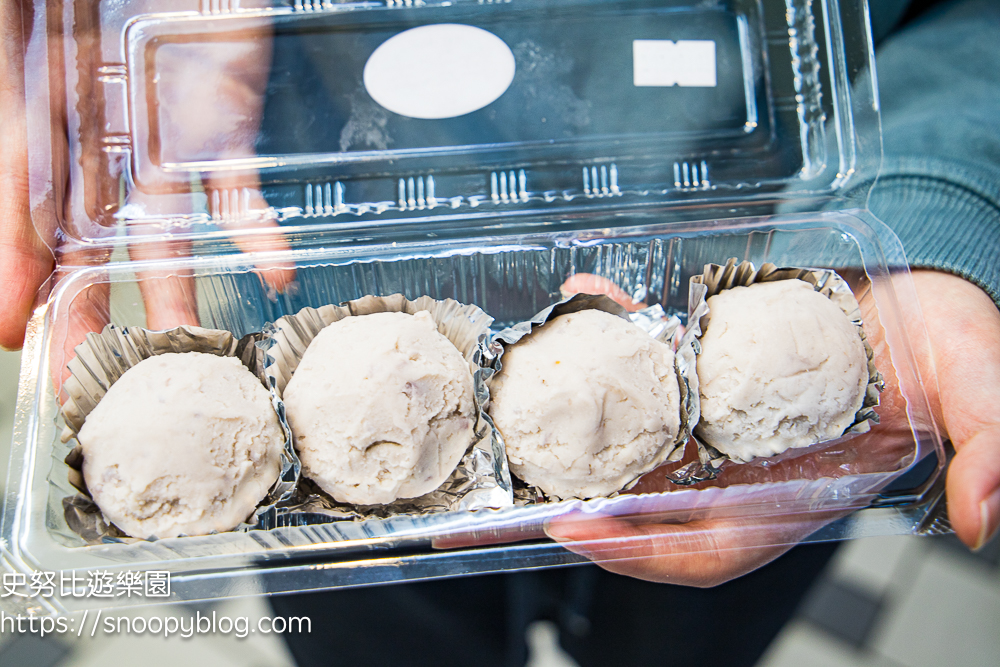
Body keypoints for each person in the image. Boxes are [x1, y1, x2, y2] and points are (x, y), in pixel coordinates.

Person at [0, 0, 998, 665]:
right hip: (315, 308)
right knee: (386, 639)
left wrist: (929, 206)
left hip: (747, 346)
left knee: (679, 638)